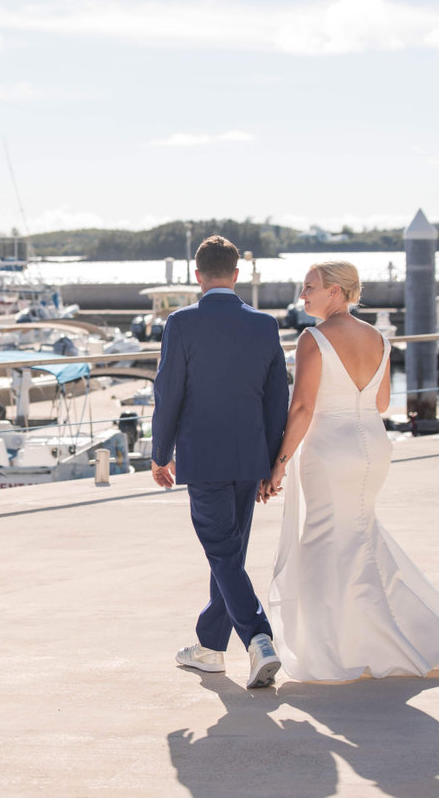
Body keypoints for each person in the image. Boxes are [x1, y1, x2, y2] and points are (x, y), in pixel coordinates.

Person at [266, 261, 439, 681]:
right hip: (372, 445)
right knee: (359, 535)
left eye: (309, 288)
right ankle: (381, 635)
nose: (302, 296)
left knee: (325, 544)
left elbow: (303, 407)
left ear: (336, 293)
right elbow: (380, 404)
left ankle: (335, 648)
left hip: (330, 449)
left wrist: (279, 463)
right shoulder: (378, 337)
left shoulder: (313, 338)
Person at [151, 236, 290, 689]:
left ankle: (258, 639)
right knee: (228, 555)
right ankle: (210, 648)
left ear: (198, 276)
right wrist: (273, 462)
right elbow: (276, 401)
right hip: (250, 458)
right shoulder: (265, 325)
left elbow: (168, 392)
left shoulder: (181, 323)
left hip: (203, 457)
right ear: (235, 275)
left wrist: (159, 454)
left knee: (225, 554)